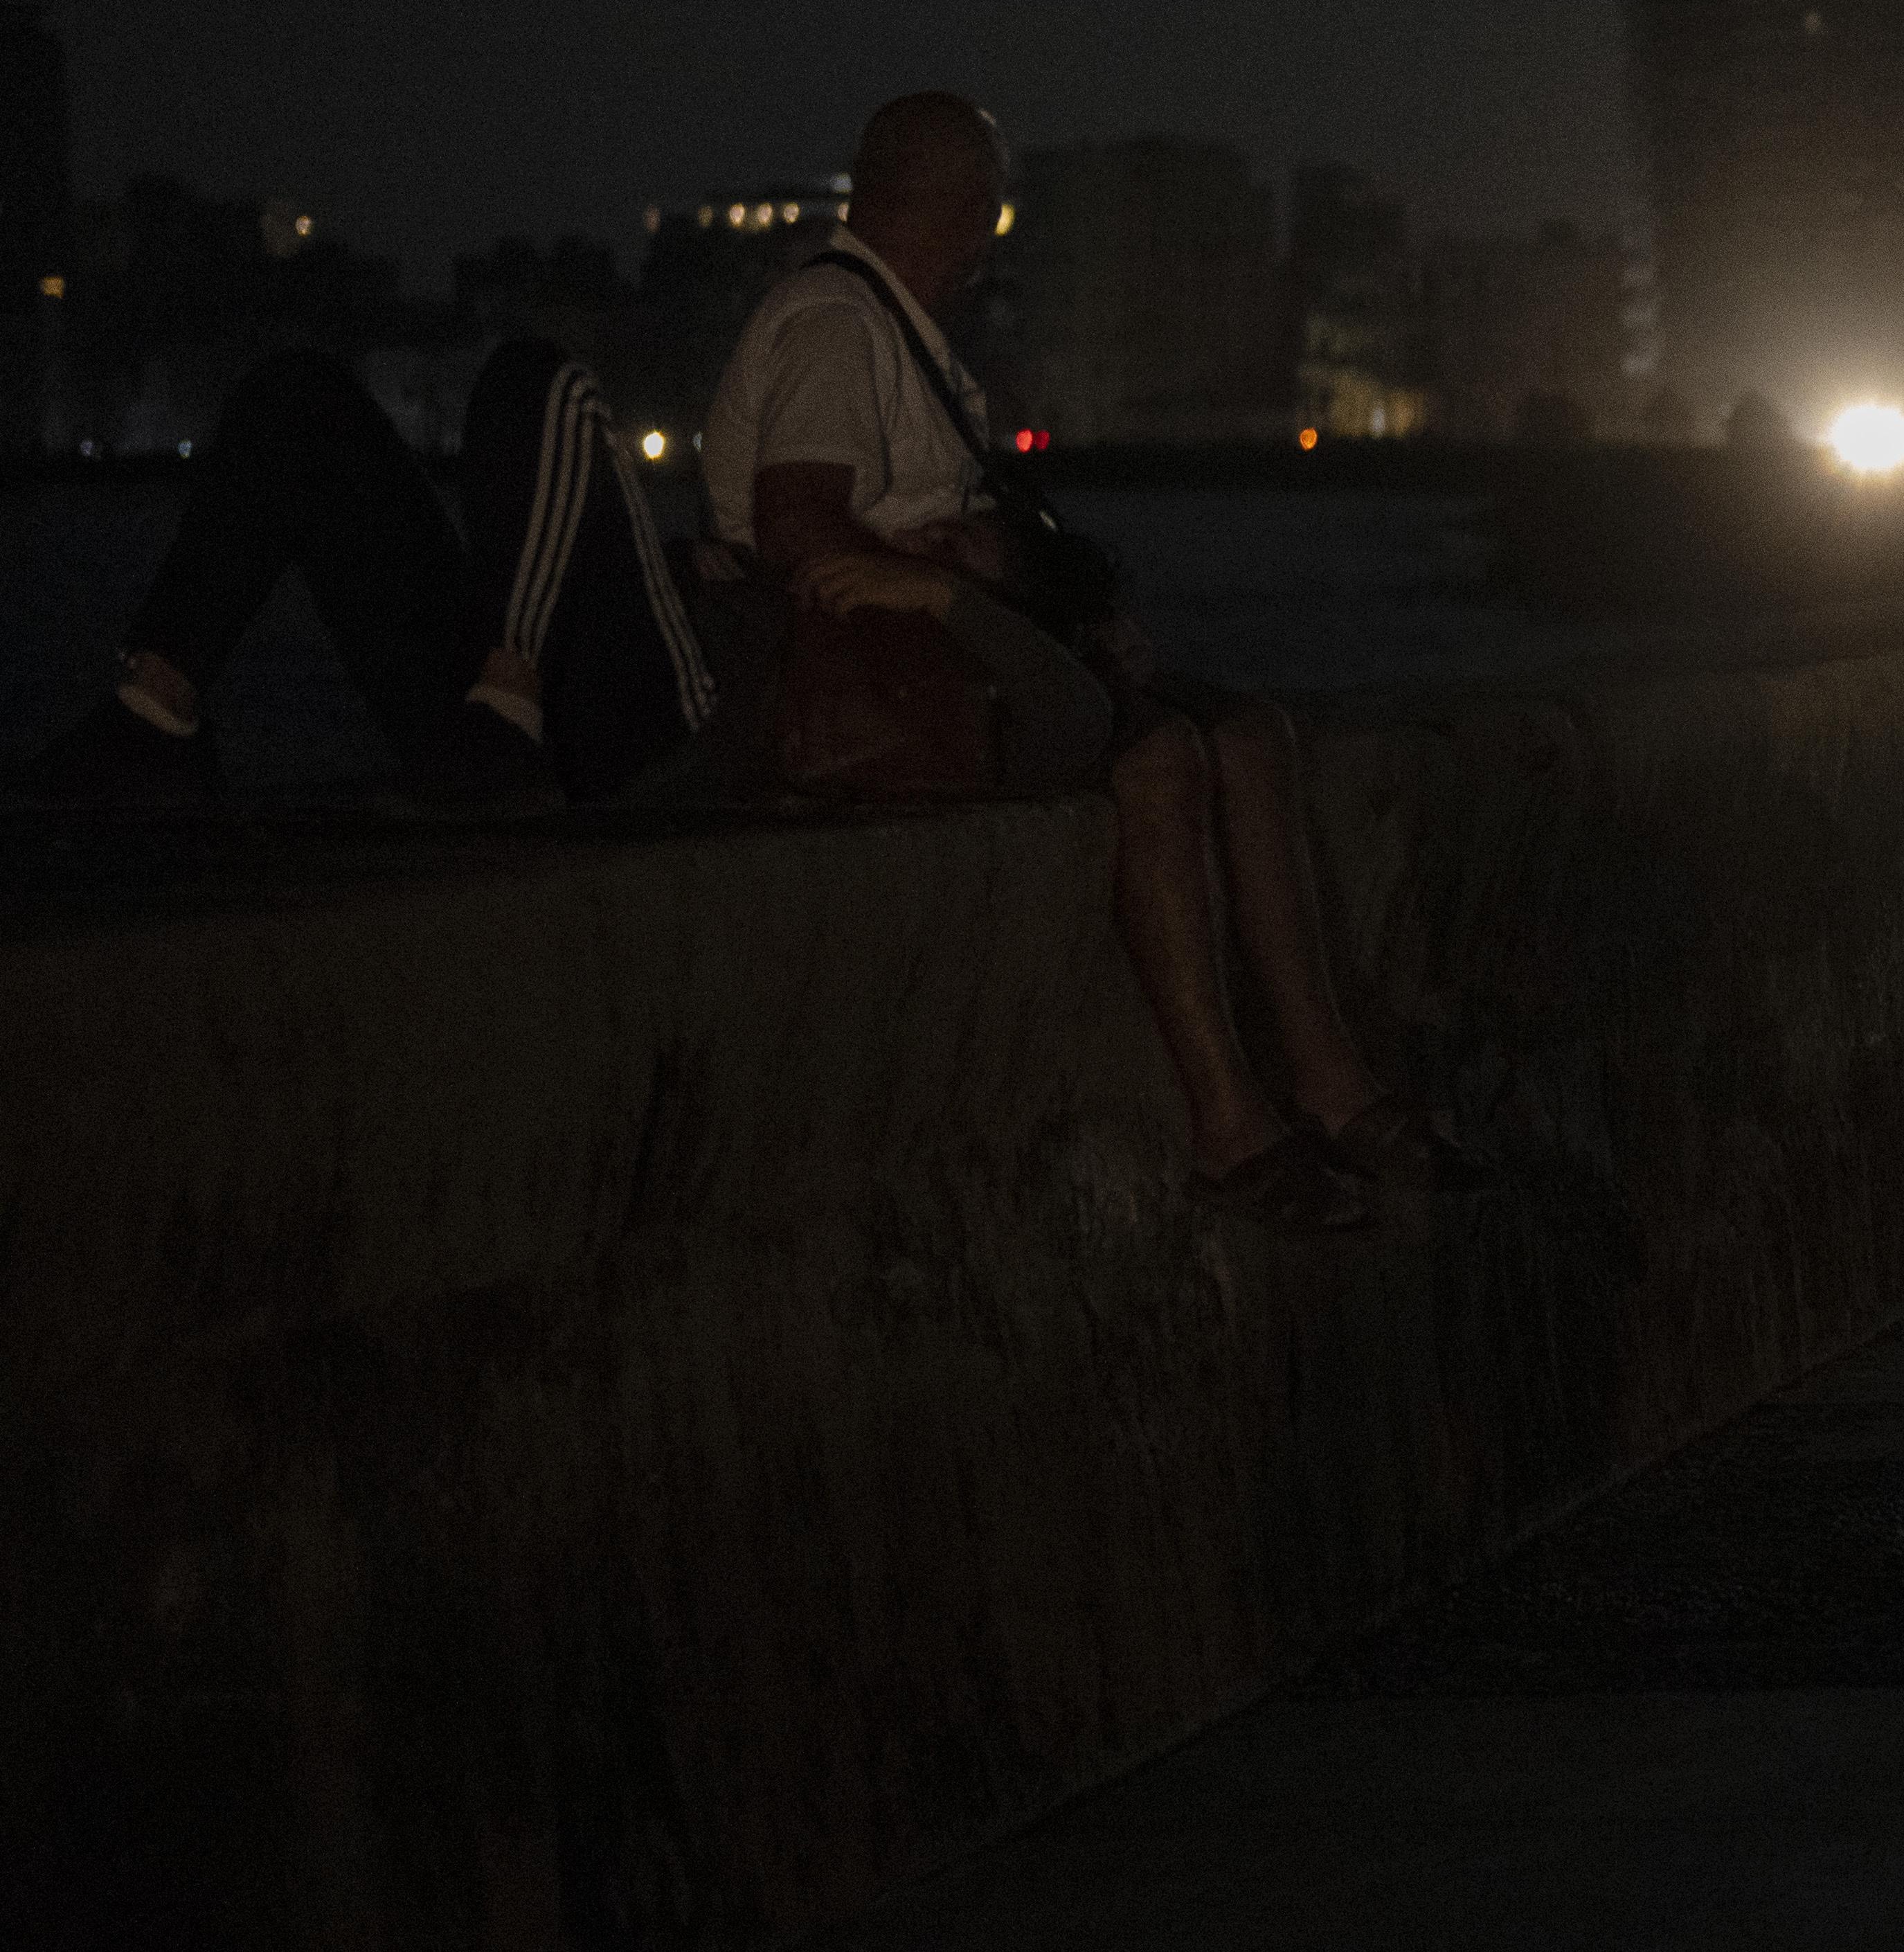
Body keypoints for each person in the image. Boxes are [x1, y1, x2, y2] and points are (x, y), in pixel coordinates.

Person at [710, 91, 1486, 1236]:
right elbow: (795, 522)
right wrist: (951, 575)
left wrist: (1018, 580)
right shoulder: (838, 325)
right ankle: (1229, 1122)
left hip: (969, 657)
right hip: (904, 690)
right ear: (975, 214)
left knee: (1250, 735)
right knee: (1160, 759)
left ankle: (1331, 1083)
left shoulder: (893, 331)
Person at [10, 339, 713, 813]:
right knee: (298, 397)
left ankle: (507, 716)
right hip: (491, 722)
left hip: (661, 722)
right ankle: (156, 711)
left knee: (543, 382)